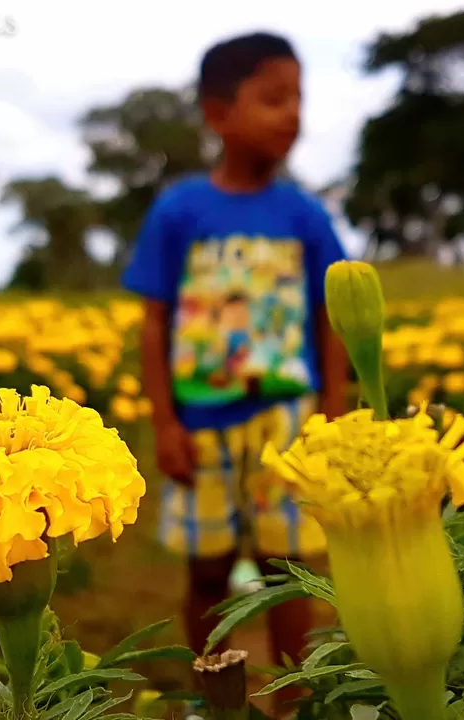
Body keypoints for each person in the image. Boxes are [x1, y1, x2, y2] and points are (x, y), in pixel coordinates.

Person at [121, 31, 350, 707]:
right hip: (202, 424)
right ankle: (214, 692)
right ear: (218, 115)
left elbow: (329, 315)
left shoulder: (303, 214)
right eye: (273, 98)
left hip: (286, 420)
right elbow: (155, 322)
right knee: (207, 571)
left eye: (298, 99)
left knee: (290, 570)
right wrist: (165, 423)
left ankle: (294, 696)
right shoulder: (180, 210)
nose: (292, 114)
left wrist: (333, 412)